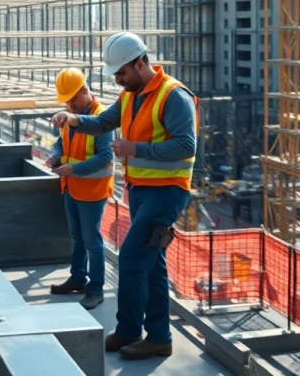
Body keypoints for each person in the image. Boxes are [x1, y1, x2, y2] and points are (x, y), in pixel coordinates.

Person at [51, 32, 198, 361]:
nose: (118, 79)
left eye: (121, 73)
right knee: (153, 264)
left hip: (167, 191)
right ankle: (158, 336)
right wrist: (73, 119)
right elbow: (104, 122)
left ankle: (131, 330)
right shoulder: (131, 94)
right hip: (142, 189)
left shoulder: (173, 96)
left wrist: (135, 149)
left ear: (141, 63)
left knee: (131, 259)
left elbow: (187, 145)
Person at [45, 68, 114, 311]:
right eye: (66, 100)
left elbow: (105, 157)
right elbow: (61, 142)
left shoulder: (101, 116)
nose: (70, 104)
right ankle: (78, 277)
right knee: (77, 237)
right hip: (71, 188)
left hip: (92, 191)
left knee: (92, 241)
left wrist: (73, 169)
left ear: (85, 91)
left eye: (73, 98)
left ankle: (96, 289)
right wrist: (54, 157)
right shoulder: (69, 115)